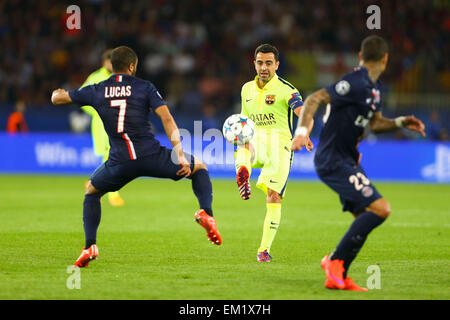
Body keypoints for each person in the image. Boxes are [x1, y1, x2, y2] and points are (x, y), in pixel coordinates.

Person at [51, 46, 222, 267]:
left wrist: (57, 92)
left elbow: (58, 99)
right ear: (132, 66)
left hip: (119, 161)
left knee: (92, 192)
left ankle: (90, 246)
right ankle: (206, 212)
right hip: (150, 155)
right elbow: (167, 118)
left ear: (112, 66)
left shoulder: (97, 89)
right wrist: (178, 152)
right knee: (199, 167)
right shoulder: (145, 87)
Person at [291, 35, 426, 291]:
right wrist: (301, 134)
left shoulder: (374, 91)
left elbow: (374, 123)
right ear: (385, 59)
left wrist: (400, 122)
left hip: (347, 160)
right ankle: (334, 262)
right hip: (333, 159)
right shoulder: (354, 82)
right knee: (380, 209)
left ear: (361, 56)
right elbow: (313, 99)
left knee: (364, 216)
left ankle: (337, 271)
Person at [235, 44, 314, 262]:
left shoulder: (286, 89)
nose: (264, 67)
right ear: (254, 63)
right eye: (260, 62)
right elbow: (245, 121)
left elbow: (305, 113)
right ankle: (242, 171)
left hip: (281, 144)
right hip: (257, 139)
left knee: (274, 195)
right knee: (243, 141)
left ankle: (264, 250)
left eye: (269, 63)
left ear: (277, 65)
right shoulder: (246, 89)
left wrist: (302, 133)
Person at [80, 49, 125, 206]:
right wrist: (98, 110)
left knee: (112, 156)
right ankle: (112, 193)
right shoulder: (95, 78)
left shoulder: (119, 78)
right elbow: (81, 98)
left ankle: (93, 182)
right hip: (101, 125)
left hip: (117, 123)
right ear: (104, 62)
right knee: (110, 156)